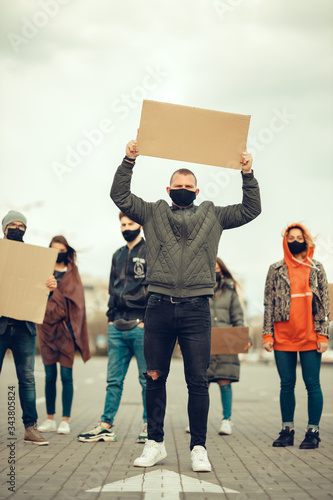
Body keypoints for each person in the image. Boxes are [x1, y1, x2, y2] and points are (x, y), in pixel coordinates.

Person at [110, 139, 261, 472]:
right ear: (169, 189)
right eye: (177, 186)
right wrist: (129, 159)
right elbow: (120, 196)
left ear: (196, 190)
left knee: (197, 380)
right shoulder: (152, 212)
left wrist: (247, 174)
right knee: (154, 376)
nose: (182, 189)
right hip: (159, 305)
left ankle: (199, 448)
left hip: (196, 309)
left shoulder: (214, 215)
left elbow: (251, 210)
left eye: (187, 186)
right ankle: (155, 443)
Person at [77, 213, 148, 443]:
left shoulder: (150, 251)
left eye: (131, 224)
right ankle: (106, 424)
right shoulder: (117, 254)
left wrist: (147, 318)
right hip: (116, 325)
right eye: (123, 224)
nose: (127, 227)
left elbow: (154, 286)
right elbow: (111, 288)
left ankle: (149, 425)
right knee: (113, 380)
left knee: (147, 379)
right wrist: (110, 318)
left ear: (140, 225)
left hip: (141, 325)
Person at [262, 223, 330, 449]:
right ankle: (287, 430)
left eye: (298, 237)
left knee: (312, 384)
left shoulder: (317, 268)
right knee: (286, 384)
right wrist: (267, 334)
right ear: (284, 241)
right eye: (290, 237)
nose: (294, 241)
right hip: (283, 337)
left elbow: (324, 305)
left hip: (310, 336)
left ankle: (313, 431)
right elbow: (269, 303)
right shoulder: (276, 269)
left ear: (306, 240)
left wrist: (323, 335)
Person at [0, 210, 57, 445]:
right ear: (4, 228)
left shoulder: (35, 259)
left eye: (21, 225)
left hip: (24, 328)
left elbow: (38, 290)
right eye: (12, 225)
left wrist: (50, 286)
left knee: (27, 379)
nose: (17, 228)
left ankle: (30, 427)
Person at [37, 235, 91, 435]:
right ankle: (50, 418)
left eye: (61, 249)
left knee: (66, 376)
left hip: (66, 332)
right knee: (50, 376)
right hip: (46, 330)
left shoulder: (72, 273)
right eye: (54, 249)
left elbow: (77, 302)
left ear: (67, 251)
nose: (58, 253)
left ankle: (65, 420)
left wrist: (55, 290)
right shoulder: (43, 272)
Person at [207, 258, 250, 435]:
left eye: (218, 269)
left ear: (222, 272)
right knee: (200, 384)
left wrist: (244, 339)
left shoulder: (231, 294)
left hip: (225, 344)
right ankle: (197, 420)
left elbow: (238, 318)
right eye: (212, 268)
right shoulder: (199, 292)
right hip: (204, 343)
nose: (215, 272)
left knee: (225, 381)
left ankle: (226, 420)